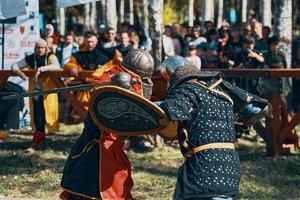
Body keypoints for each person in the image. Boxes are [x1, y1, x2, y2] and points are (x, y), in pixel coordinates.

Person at [158, 56, 270, 200]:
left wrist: (149, 104)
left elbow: (167, 110)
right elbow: (256, 108)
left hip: (202, 170)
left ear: (171, 77)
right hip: (231, 168)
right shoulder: (220, 86)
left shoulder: (185, 89)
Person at [60, 49, 155, 200]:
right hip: (98, 139)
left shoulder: (130, 79)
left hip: (112, 143)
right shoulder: (111, 75)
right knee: (94, 184)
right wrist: (119, 88)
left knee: (115, 180)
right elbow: (100, 98)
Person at [11, 39, 60, 151]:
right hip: (36, 92)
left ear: (46, 48)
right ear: (34, 48)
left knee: (47, 117)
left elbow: (56, 66)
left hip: (48, 94)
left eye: (42, 47)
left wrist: (41, 69)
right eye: (38, 47)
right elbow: (14, 65)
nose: (40, 49)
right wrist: (19, 72)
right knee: (38, 118)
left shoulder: (50, 56)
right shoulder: (30, 58)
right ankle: (38, 142)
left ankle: (40, 142)